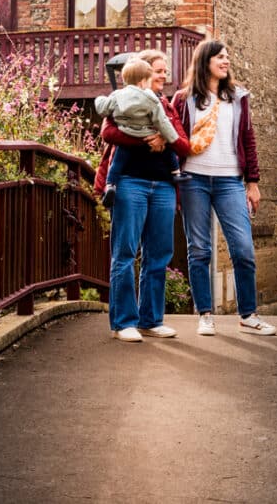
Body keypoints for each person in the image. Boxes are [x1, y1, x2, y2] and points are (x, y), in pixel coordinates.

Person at [172, 39, 277, 337]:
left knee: (243, 249)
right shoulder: (184, 99)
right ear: (205, 61)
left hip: (230, 181)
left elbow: (248, 140)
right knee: (199, 250)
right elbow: (173, 138)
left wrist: (252, 183)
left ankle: (249, 315)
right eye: (220, 56)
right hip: (194, 180)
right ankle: (205, 314)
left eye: (228, 56)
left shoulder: (238, 98)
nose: (226, 60)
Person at [96, 48, 191, 343]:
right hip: (130, 182)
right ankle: (124, 322)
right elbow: (109, 133)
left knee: (159, 253)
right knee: (125, 252)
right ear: (143, 73)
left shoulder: (167, 105)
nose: (164, 76)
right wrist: (147, 138)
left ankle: (151, 319)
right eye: (159, 70)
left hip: (163, 184)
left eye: (165, 71)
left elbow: (183, 143)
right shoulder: (124, 99)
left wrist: (165, 137)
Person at [93, 56, 182, 203]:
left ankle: (110, 185)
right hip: (148, 133)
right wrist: (171, 138)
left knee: (117, 161)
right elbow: (161, 120)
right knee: (169, 151)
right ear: (142, 81)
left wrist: (99, 99)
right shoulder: (151, 98)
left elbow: (103, 109)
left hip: (126, 133)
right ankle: (177, 173)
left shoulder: (117, 95)